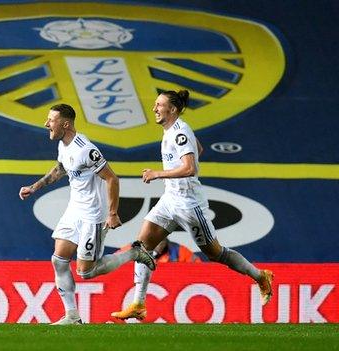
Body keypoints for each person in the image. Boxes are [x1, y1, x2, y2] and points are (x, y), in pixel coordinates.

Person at [110, 90, 273, 321]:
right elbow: (199, 151)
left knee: (216, 253)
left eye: (159, 105)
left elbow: (190, 168)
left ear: (173, 110)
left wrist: (158, 173)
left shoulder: (179, 133)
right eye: (155, 104)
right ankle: (138, 303)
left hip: (189, 203)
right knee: (142, 246)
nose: (155, 109)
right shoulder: (172, 131)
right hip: (170, 199)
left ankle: (260, 276)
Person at [19, 103, 156, 325]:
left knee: (85, 272)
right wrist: (34, 187)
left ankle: (133, 254)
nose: (46, 124)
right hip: (74, 210)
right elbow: (60, 169)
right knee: (59, 260)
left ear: (65, 124)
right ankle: (72, 316)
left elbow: (112, 178)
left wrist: (112, 213)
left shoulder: (86, 150)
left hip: (93, 215)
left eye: (50, 120)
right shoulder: (64, 146)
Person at [116, 238, 203, 263]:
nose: (159, 246)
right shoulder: (134, 248)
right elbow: (114, 260)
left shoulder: (178, 250)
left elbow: (199, 268)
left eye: (161, 241)